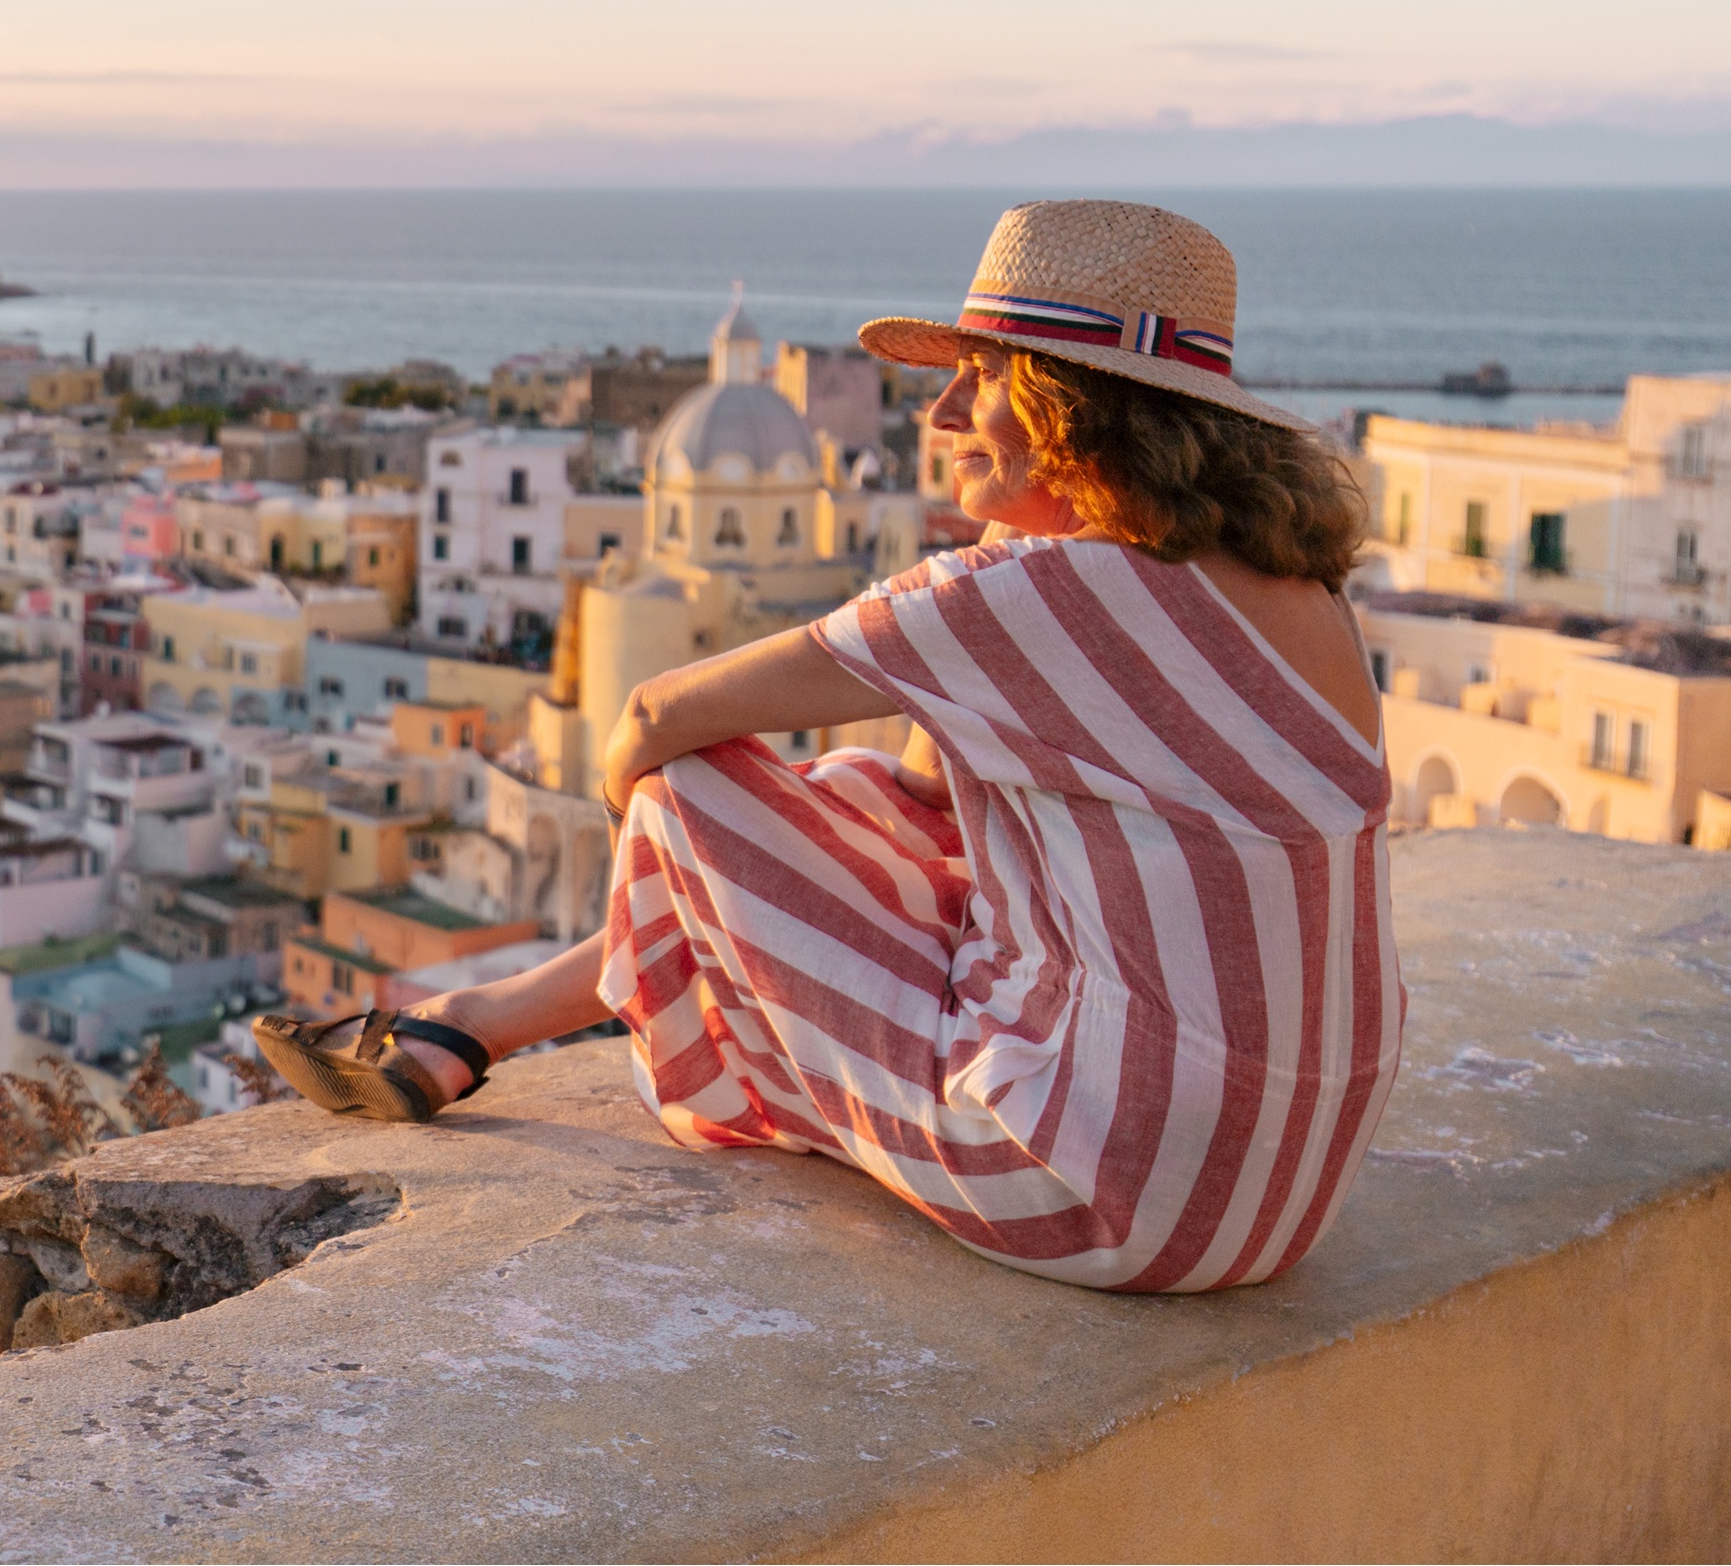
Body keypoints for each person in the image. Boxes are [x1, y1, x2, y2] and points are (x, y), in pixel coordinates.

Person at [258, 200, 1398, 1292]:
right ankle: (474, 1023)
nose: (939, 412)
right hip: (1281, 1193)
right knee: (857, 792)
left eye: (982, 378)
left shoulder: (1039, 592)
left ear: (1083, 410)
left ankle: (471, 1029)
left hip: (1096, 1190)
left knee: (687, 787)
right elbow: (920, 805)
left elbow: (655, 722)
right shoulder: (1305, 596)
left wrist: (659, 850)